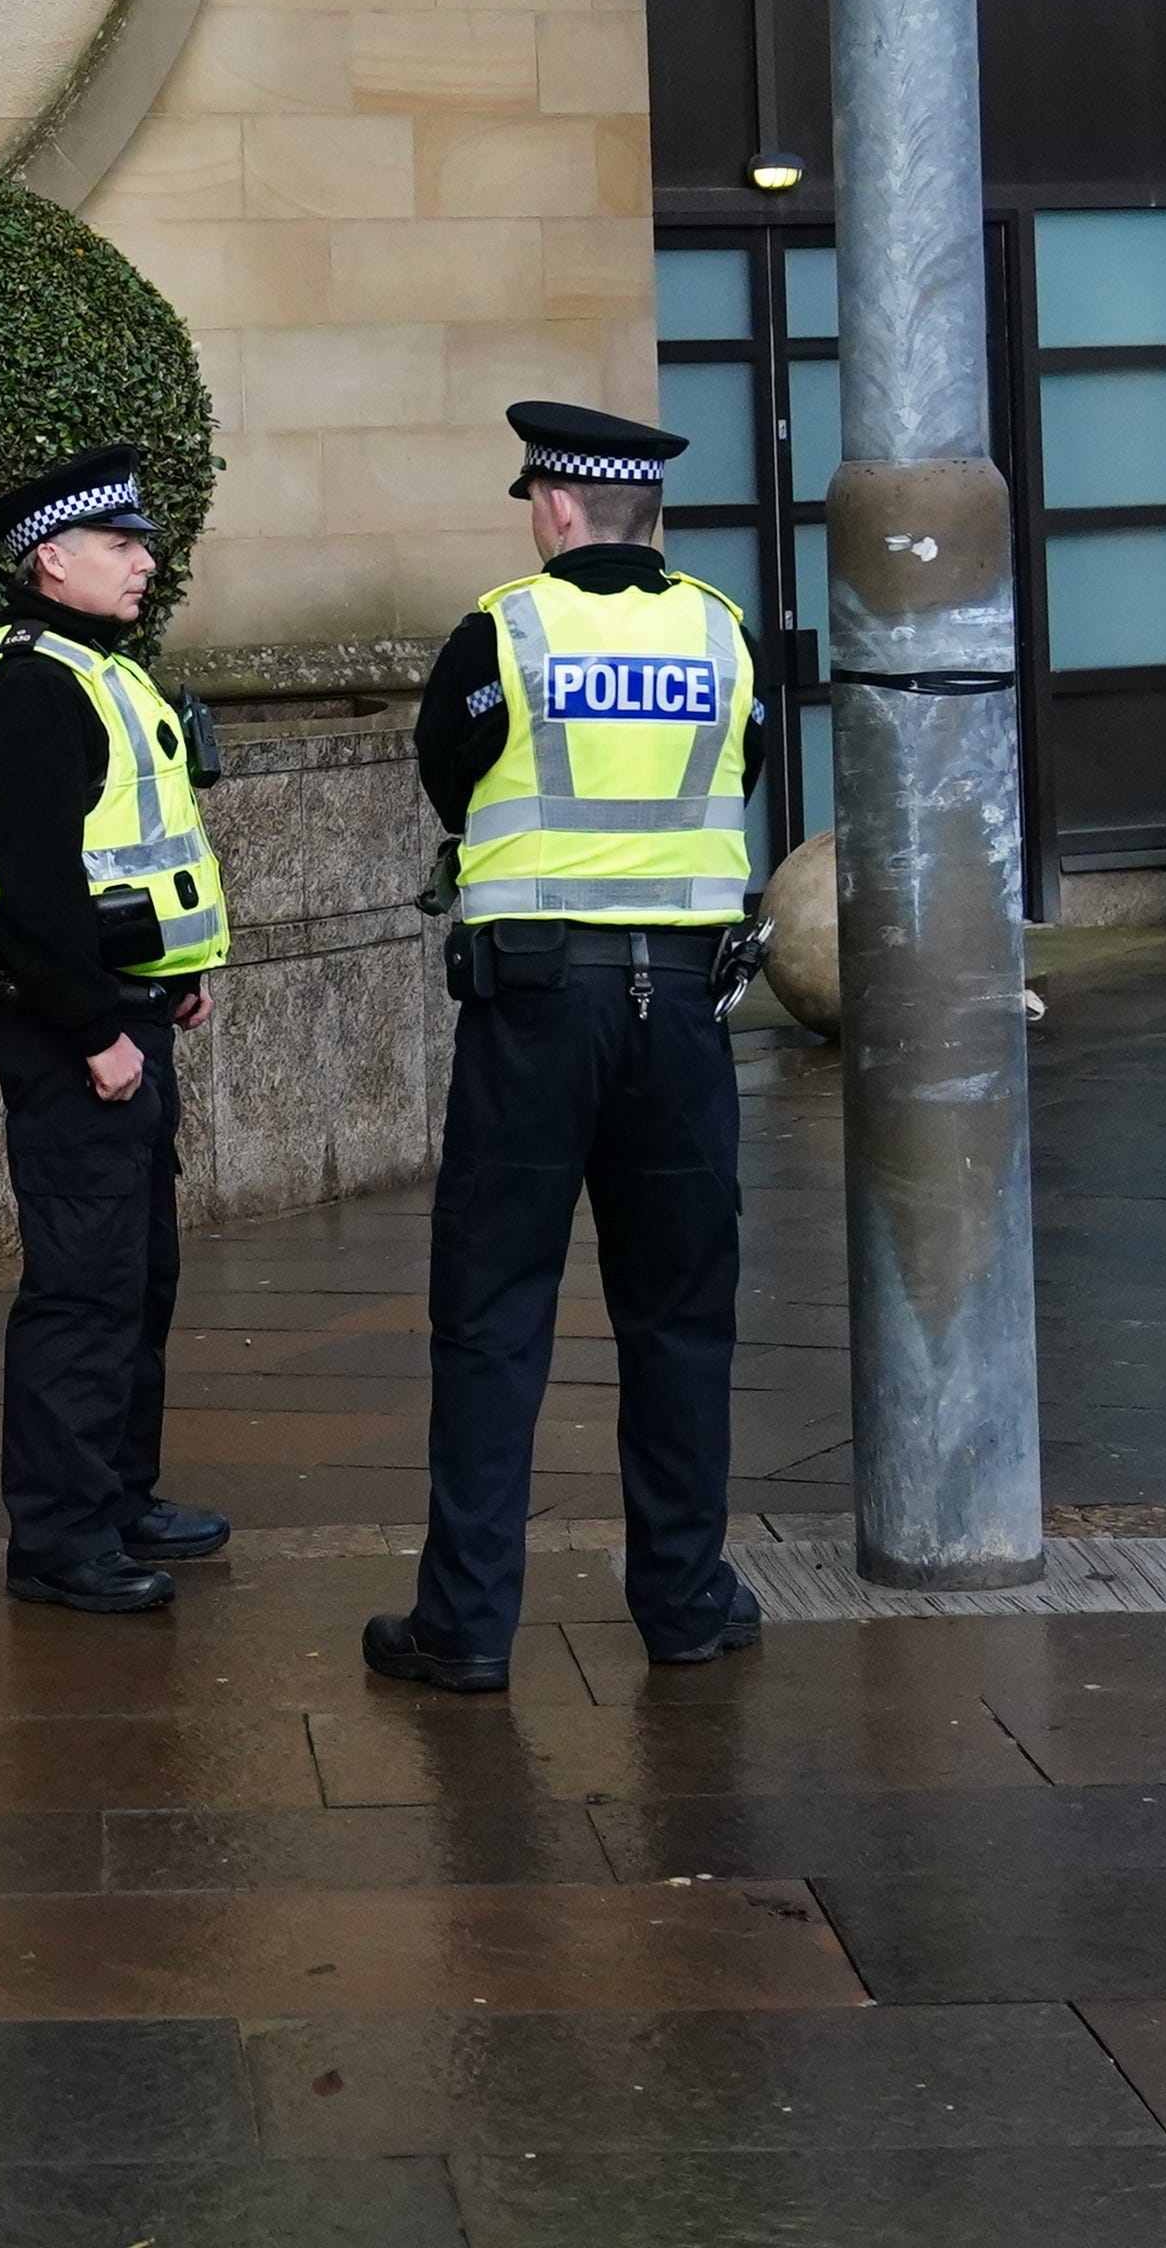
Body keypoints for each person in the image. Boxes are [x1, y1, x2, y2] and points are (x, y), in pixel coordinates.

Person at [363, 400, 764, 1696]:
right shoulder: (721, 630)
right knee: (682, 1320)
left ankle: (468, 1628)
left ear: (557, 509)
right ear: (652, 518)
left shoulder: (507, 628)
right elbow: (743, 771)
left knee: (492, 1314)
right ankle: (687, 1604)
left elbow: (448, 766)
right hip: (687, 1017)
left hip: (536, 1009)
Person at [0, 442, 234, 1615]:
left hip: (131, 1016)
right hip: (79, 1039)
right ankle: (61, 1538)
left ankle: (118, 1492)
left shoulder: (99, 668)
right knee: (81, 1286)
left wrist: (173, 978)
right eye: (122, 545)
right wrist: (92, 1033)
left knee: (138, 1276)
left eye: (144, 542)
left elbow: (137, 857)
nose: (145, 562)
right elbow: (37, 892)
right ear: (51, 558)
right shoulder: (31, 684)